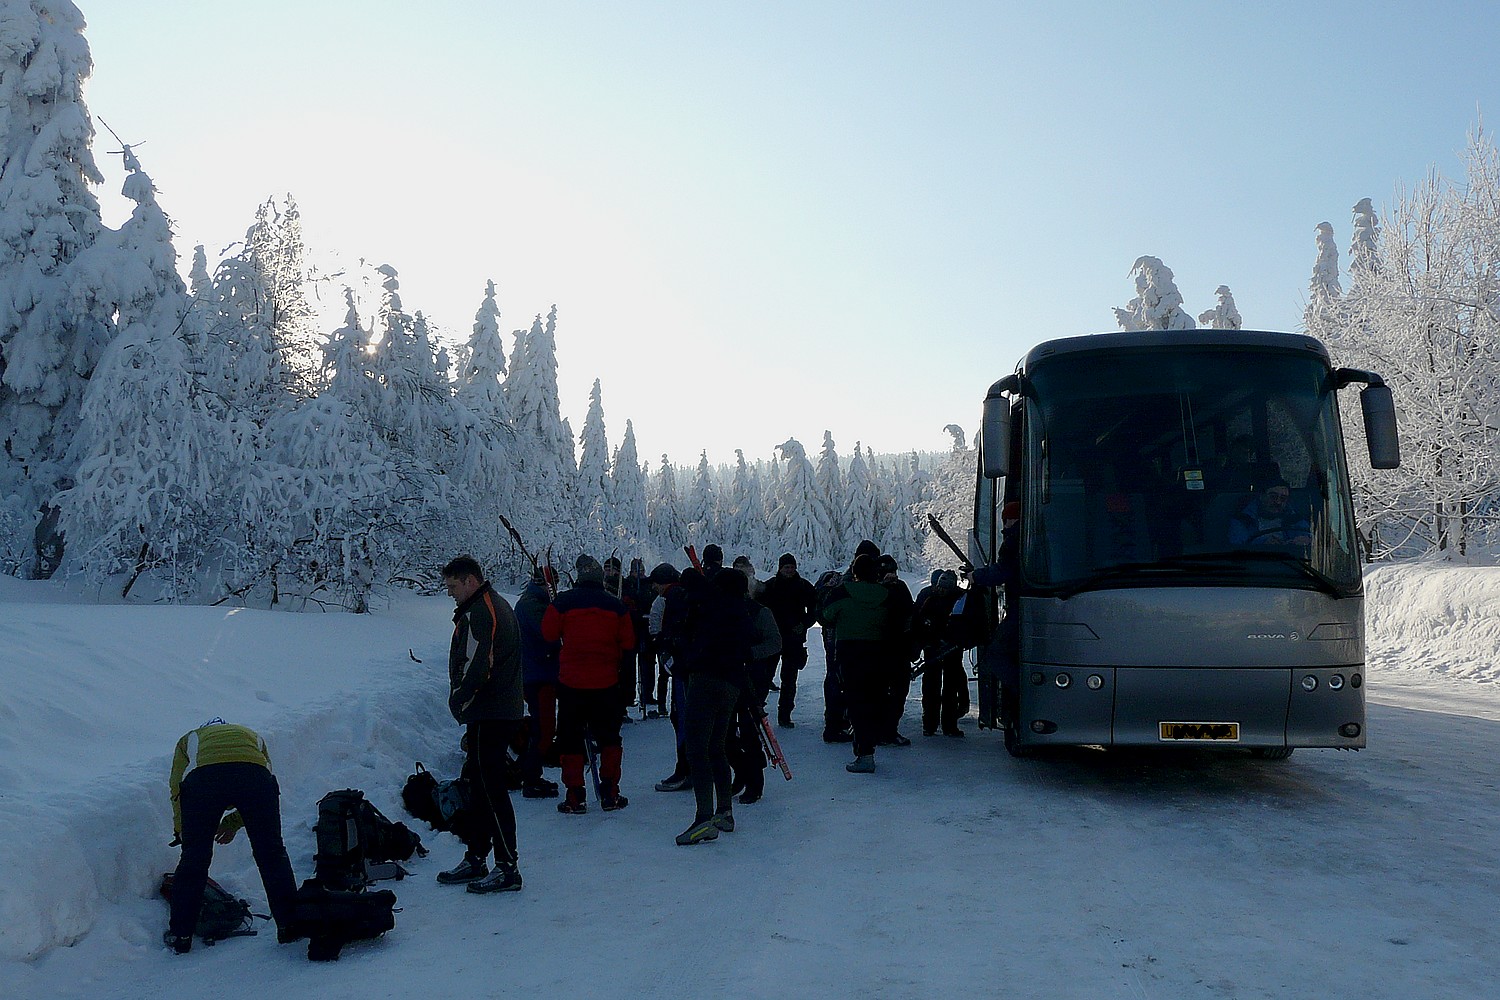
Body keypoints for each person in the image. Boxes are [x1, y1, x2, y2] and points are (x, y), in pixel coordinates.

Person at [165, 719, 300, 953]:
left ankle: (181, 935)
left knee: (194, 859)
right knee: (272, 854)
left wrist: (183, 830)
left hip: (205, 781)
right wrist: (233, 822)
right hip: (254, 778)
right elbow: (263, 783)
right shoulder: (252, 735)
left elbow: (176, 786)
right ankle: (290, 926)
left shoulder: (189, 738)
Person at [440, 555, 525, 893]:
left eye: (452, 586)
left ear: (470, 581)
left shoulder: (481, 611)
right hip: (492, 709)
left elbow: (477, 666)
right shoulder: (485, 607)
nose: (450, 593)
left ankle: (507, 866)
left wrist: (459, 699)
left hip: (491, 711)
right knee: (478, 784)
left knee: (490, 790)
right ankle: (477, 855)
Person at [541, 554, 636, 813]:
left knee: (570, 740)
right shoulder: (615, 606)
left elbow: (548, 634)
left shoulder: (562, 602)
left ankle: (575, 795)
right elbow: (628, 645)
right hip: (606, 684)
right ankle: (610, 793)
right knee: (609, 739)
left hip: (571, 684)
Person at [676, 567, 753, 844]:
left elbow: (697, 641)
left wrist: (686, 661)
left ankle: (703, 819)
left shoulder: (710, 607)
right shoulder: (743, 612)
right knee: (717, 748)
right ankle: (724, 811)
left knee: (697, 750)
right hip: (732, 683)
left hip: (705, 679)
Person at [818, 553, 901, 774]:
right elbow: (898, 619)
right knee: (876, 699)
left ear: (854, 571)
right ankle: (872, 743)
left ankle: (864, 752)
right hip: (879, 652)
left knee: (856, 702)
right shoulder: (886, 594)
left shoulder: (842, 592)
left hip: (850, 653)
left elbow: (826, 616)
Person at [514, 565, 561, 798]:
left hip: (539, 671)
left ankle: (532, 773)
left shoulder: (534, 602)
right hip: (538, 673)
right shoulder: (532, 605)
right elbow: (548, 635)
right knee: (543, 728)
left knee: (542, 726)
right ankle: (531, 777)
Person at [759, 553, 818, 728]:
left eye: (792, 567)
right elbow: (759, 608)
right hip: (772, 638)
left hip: (794, 639)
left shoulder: (803, 586)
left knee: (789, 679)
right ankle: (758, 709)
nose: (790, 570)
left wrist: (805, 624)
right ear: (780, 568)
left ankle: (785, 715)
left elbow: (815, 607)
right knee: (765, 677)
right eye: (786, 567)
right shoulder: (770, 586)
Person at [912, 569, 965, 736]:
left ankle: (932, 724)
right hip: (948, 648)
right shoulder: (959, 598)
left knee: (934, 687)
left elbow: (919, 621)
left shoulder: (930, 597)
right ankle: (946, 725)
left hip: (937, 648)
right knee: (945, 686)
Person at [875, 553, 916, 746]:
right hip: (879, 648)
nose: (890, 575)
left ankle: (890, 729)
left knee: (899, 692)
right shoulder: (874, 590)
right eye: (886, 572)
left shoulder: (901, 588)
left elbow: (910, 614)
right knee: (879, 692)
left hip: (899, 648)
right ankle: (879, 730)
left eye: (892, 571)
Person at [1227, 478, 1311, 546]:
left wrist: (1306, 540)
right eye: (1273, 497)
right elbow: (1236, 546)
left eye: (1283, 498)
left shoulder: (1295, 519)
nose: (1278, 502)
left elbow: (1310, 536)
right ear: (1261, 496)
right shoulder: (1243, 520)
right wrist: (1262, 544)